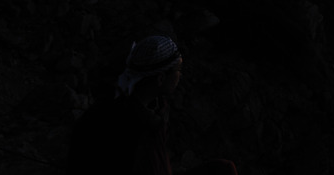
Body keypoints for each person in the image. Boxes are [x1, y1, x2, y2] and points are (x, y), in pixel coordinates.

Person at [68, 35, 236, 175]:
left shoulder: (154, 108)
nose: (180, 75)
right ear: (161, 78)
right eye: (178, 70)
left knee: (223, 169)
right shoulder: (121, 120)